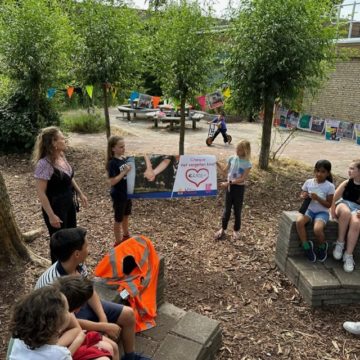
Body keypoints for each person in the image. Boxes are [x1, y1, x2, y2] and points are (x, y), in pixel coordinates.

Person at [35, 227, 150, 360]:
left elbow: (89, 291)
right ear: (77, 254)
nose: (89, 250)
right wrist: (103, 327)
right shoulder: (53, 286)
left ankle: (130, 357)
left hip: (77, 307)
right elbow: (67, 320)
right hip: (61, 320)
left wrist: (103, 318)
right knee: (109, 347)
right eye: (87, 246)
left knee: (128, 314)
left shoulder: (78, 265)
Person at [32, 126, 88, 262]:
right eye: (62, 138)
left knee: (72, 238)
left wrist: (80, 193)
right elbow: (41, 192)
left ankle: (71, 268)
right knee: (59, 243)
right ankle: (57, 274)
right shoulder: (44, 164)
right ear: (53, 143)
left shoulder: (61, 156)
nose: (65, 140)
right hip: (55, 208)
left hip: (69, 204)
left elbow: (69, 177)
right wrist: (51, 215)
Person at [8, 286, 72, 359]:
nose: (69, 313)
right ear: (56, 323)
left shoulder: (18, 341)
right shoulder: (61, 355)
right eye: (67, 310)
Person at [296, 160, 335, 262]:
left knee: (317, 229)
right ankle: (306, 246)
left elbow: (329, 204)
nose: (319, 174)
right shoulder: (309, 182)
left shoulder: (329, 186)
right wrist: (303, 195)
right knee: (299, 222)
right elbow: (303, 192)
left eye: (323, 172)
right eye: (317, 171)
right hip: (309, 209)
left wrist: (318, 198)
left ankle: (322, 246)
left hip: (322, 212)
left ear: (328, 173)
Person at [214, 139, 252, 241]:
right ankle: (223, 229)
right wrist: (216, 164)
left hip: (239, 189)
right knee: (226, 210)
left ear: (245, 151)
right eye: (237, 148)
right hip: (229, 187)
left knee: (237, 211)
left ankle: (236, 230)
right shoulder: (232, 158)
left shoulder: (247, 164)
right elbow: (224, 172)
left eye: (239, 150)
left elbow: (242, 179)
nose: (237, 151)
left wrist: (228, 183)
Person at [331, 159, 360, 272]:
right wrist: (332, 210)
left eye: (352, 168)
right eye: (349, 168)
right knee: (346, 213)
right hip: (344, 204)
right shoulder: (347, 182)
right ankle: (340, 243)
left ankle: (348, 254)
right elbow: (333, 198)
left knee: (357, 223)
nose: (349, 170)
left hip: (357, 209)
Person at [106, 136, 132, 246]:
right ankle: (117, 242)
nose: (123, 149)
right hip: (118, 195)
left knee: (126, 215)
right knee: (118, 219)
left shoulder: (124, 159)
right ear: (113, 149)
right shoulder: (112, 163)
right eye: (121, 147)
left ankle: (126, 235)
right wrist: (124, 172)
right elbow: (112, 181)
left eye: (124, 146)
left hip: (127, 193)